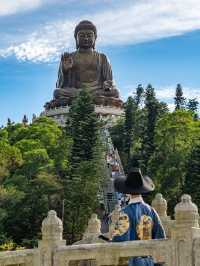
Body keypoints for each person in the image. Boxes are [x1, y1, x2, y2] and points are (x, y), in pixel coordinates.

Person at [45, 20, 123, 109]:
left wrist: (107, 85)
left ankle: (88, 98)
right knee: (57, 92)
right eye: (82, 36)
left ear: (95, 38)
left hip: (96, 91)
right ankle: (91, 99)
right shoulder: (70, 57)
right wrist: (65, 70)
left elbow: (109, 81)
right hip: (77, 91)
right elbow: (60, 84)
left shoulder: (102, 57)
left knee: (115, 92)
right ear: (76, 38)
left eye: (89, 36)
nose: (86, 39)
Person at [110, 168, 166, 266]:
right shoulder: (151, 211)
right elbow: (160, 237)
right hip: (149, 261)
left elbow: (118, 241)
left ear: (127, 191)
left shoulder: (124, 213)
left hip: (130, 262)